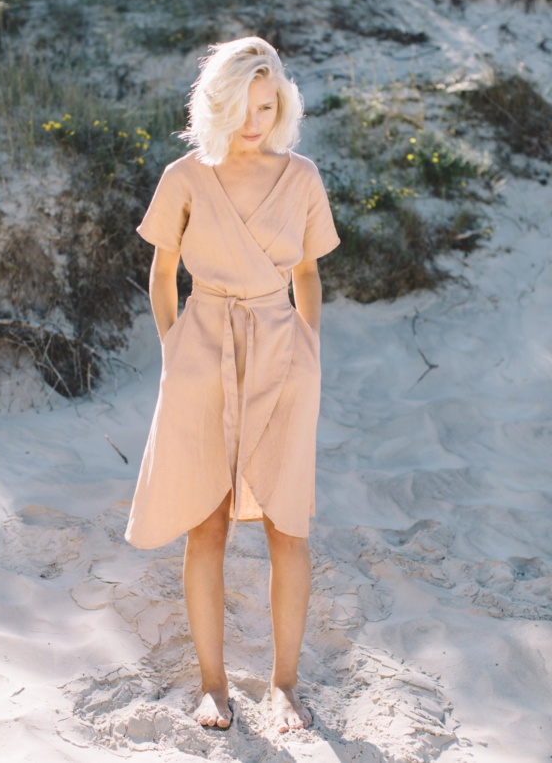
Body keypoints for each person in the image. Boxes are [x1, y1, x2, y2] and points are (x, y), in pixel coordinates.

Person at [125, 37, 340, 733]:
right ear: (219, 105)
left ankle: (284, 685)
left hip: (282, 353)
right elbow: (162, 276)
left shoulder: (302, 176)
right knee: (206, 527)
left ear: (282, 106)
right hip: (202, 350)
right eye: (244, 107)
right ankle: (213, 686)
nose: (256, 121)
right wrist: (174, 350)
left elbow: (307, 272)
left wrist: (309, 349)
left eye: (268, 106)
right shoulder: (185, 176)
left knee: (287, 525)